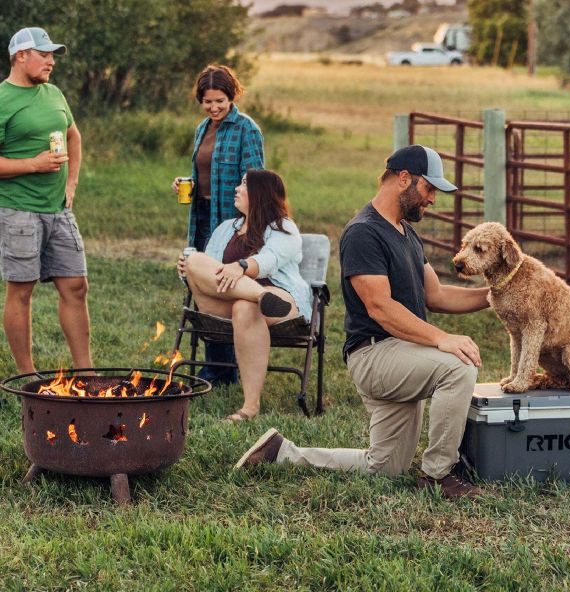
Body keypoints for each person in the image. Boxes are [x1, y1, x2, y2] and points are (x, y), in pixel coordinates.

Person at [234, 145, 492, 500]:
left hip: (404, 354)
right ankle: (439, 475)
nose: (432, 199)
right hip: (374, 356)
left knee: (385, 467)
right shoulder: (363, 233)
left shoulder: (405, 232)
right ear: (404, 179)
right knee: (458, 366)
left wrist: (499, 294)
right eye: (429, 188)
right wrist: (441, 339)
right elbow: (380, 307)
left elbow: (436, 295)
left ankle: (280, 453)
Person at [0, 27, 92, 375]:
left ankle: (86, 373)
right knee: (22, 292)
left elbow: (73, 136)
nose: (51, 61)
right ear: (21, 56)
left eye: (53, 55)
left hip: (58, 209)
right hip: (15, 211)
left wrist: (71, 183)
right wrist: (33, 165)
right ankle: (27, 375)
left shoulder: (53, 93)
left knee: (76, 286)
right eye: (44, 54)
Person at [180, 169, 312, 421]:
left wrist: (240, 266)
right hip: (223, 300)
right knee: (194, 259)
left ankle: (250, 407)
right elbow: (210, 271)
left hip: (280, 297)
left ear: (261, 193)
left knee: (245, 306)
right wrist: (188, 271)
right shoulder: (225, 229)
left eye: (244, 185)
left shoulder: (284, 228)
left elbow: (270, 260)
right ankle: (259, 296)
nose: (237, 189)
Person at [172, 64, 264, 386]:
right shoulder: (202, 129)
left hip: (230, 223)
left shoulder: (246, 129)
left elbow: (256, 182)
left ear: (232, 96)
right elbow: (205, 172)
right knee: (200, 283)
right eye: (207, 102)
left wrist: (246, 227)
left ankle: (225, 368)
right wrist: (186, 183)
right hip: (201, 217)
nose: (213, 108)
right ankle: (217, 363)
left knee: (223, 285)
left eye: (220, 101)